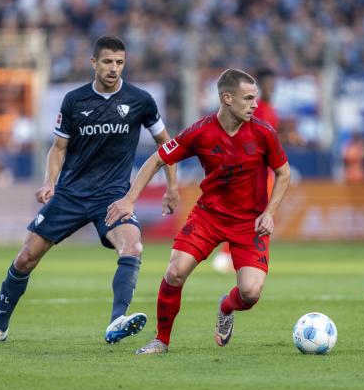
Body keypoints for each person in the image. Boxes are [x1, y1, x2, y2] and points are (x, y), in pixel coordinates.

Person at [0, 35, 179, 344]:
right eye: (107, 62)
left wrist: (172, 187)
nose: (114, 68)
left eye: (119, 63)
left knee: (133, 246)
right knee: (26, 257)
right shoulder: (74, 101)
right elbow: (57, 148)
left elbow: (167, 145)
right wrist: (49, 181)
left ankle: (116, 321)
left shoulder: (140, 101)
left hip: (112, 197)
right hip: (70, 193)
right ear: (93, 63)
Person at [105, 69, 291, 354]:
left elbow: (283, 172)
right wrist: (130, 199)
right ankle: (161, 341)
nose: (255, 104)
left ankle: (226, 307)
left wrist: (269, 212)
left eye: (255, 98)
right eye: (249, 98)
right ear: (227, 98)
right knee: (175, 271)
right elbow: (157, 158)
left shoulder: (264, 132)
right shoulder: (200, 132)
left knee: (250, 293)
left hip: (249, 223)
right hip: (209, 217)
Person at [211, 67, 281, 273]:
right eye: (268, 85)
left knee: (257, 214)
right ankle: (229, 254)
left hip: (265, 171)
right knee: (246, 213)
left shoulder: (270, 110)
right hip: (249, 172)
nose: (272, 89)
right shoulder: (253, 109)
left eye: (274, 85)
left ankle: (234, 255)